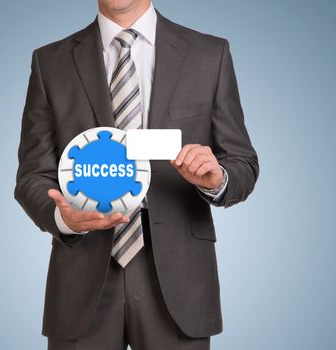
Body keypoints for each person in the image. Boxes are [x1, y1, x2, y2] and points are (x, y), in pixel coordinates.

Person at [14, 1, 259, 349]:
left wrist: (217, 178)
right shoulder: (50, 62)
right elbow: (31, 175)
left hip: (179, 279)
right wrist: (63, 218)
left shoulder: (209, 54)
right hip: (81, 277)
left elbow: (242, 163)